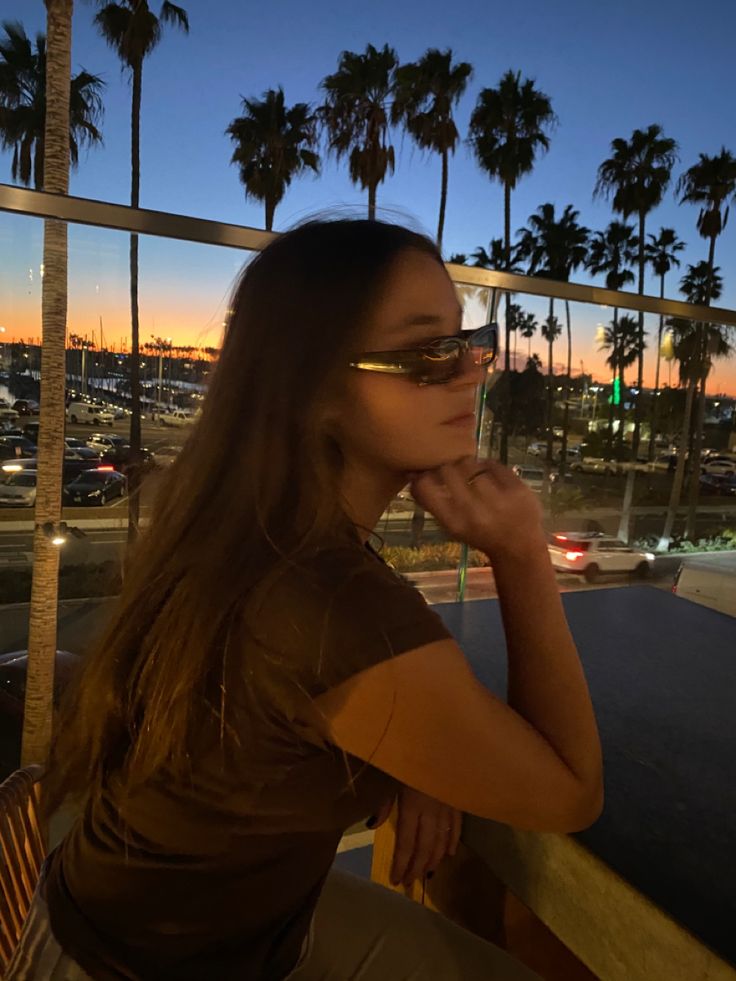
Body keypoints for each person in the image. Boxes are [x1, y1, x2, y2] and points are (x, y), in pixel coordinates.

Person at [8, 218, 603, 980]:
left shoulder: (256, 534)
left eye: (467, 340)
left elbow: (287, 717)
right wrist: (521, 548)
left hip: (106, 920)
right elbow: (569, 792)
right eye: (429, 352)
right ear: (316, 386)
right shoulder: (328, 600)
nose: (471, 372)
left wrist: (413, 761)